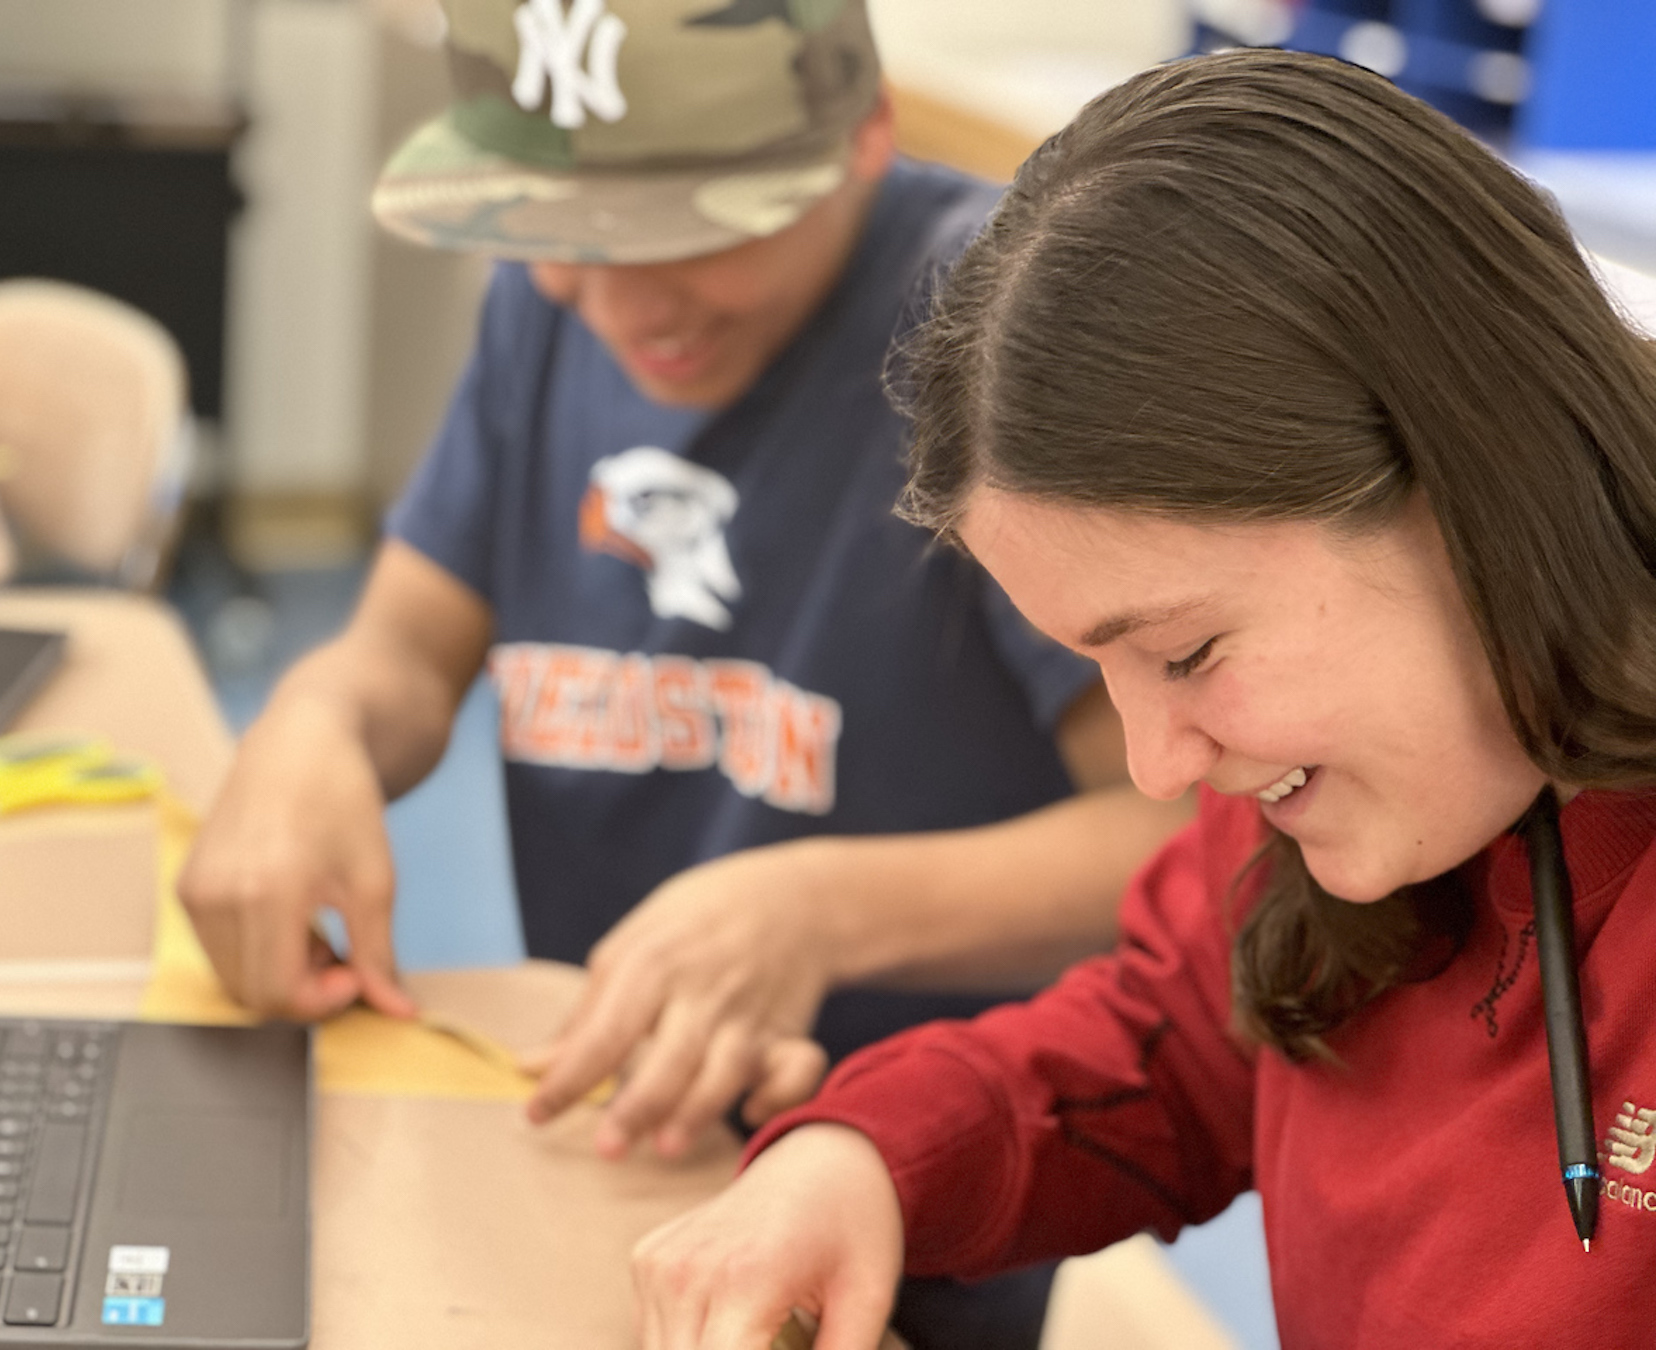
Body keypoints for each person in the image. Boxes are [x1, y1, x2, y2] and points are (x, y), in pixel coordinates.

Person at [179, 1, 1191, 1344]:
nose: (621, 302)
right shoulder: (546, 313)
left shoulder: (996, 337)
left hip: (901, 1208)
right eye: (564, 235)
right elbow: (403, 654)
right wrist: (311, 724)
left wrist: (822, 908)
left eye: (692, 231)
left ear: (861, 136)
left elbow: (1188, 835)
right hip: (622, 1145)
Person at [629, 47, 1656, 1350]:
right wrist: (862, 1160)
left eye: (1186, 651)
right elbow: (1167, 1039)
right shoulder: (1374, 778)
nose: (1161, 764)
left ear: (1471, 484)